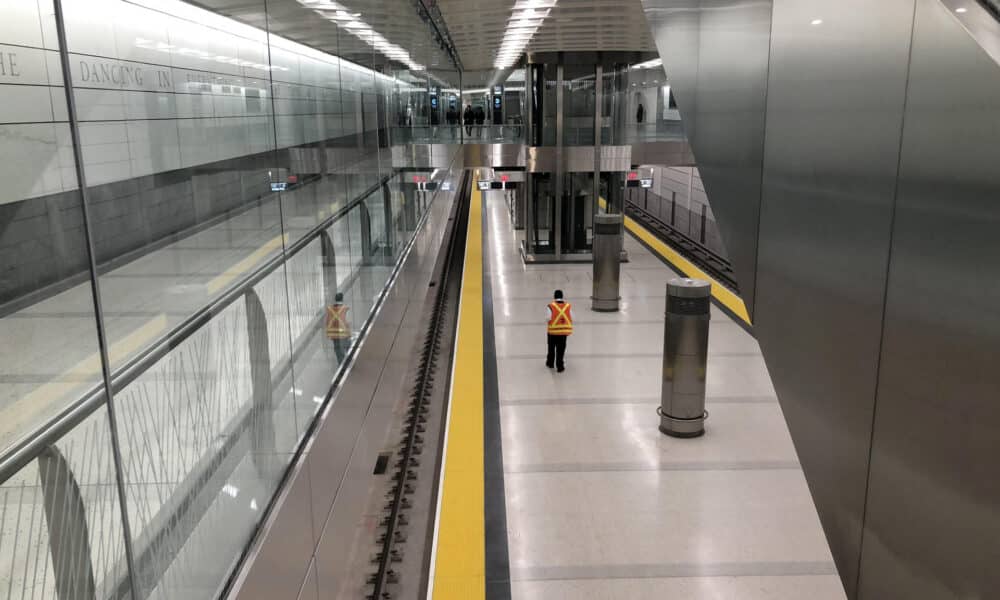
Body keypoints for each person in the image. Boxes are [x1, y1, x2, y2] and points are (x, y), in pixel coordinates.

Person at [545, 289, 573, 372]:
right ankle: (560, 366)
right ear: (562, 296)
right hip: (563, 333)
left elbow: (548, 318)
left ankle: (550, 363)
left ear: (554, 297)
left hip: (552, 332)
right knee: (560, 350)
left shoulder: (550, 306)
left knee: (551, 348)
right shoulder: (568, 306)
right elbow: (572, 317)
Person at [326, 292, 351, 363]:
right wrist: (349, 334)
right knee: (348, 347)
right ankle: (348, 363)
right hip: (344, 334)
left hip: (334, 335)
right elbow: (348, 322)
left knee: (338, 351)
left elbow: (327, 322)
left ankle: (340, 366)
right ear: (342, 299)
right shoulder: (345, 309)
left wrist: (329, 334)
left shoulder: (330, 309)